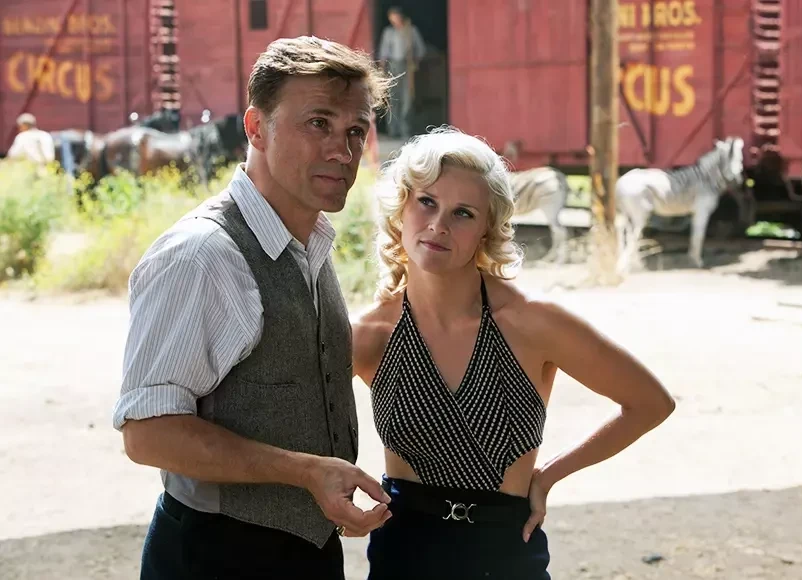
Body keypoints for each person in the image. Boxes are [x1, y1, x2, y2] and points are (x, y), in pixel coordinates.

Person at [112, 36, 395, 579]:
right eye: (318, 123)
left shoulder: (310, 242)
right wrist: (305, 472)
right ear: (255, 127)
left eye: (355, 131)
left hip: (307, 551)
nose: (343, 151)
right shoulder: (202, 254)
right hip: (216, 556)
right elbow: (146, 433)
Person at [352, 127, 676, 579]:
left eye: (463, 213)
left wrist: (550, 474)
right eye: (426, 201)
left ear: (487, 229)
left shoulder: (533, 323)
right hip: (405, 554)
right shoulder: (370, 335)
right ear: (400, 207)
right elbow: (292, 427)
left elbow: (651, 403)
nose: (439, 225)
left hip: (507, 554)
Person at [377, 6, 426, 140]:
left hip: (407, 67)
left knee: (407, 99)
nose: (393, 20)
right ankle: (393, 130)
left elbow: (421, 50)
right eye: (391, 18)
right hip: (392, 66)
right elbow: (383, 52)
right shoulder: (388, 32)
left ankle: (406, 130)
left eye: (395, 17)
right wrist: (382, 69)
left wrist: (415, 62)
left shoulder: (411, 30)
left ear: (400, 16)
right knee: (393, 98)